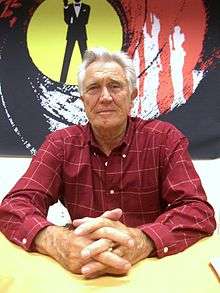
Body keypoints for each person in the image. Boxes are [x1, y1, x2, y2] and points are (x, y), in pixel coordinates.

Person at [0, 48, 216, 279]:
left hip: (150, 271)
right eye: (93, 88)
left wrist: (142, 240)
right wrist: (56, 240)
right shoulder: (60, 144)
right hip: (80, 268)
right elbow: (15, 205)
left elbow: (197, 210)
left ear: (132, 95)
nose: (104, 97)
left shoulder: (164, 139)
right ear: (83, 100)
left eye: (115, 86)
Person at [60, 0, 91, 83]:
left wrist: (72, 21)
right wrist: (65, 7)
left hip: (81, 34)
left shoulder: (86, 7)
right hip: (71, 34)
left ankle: (89, 80)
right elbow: (66, 20)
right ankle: (62, 80)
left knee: (85, 58)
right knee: (67, 56)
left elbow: (85, 21)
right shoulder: (69, 7)